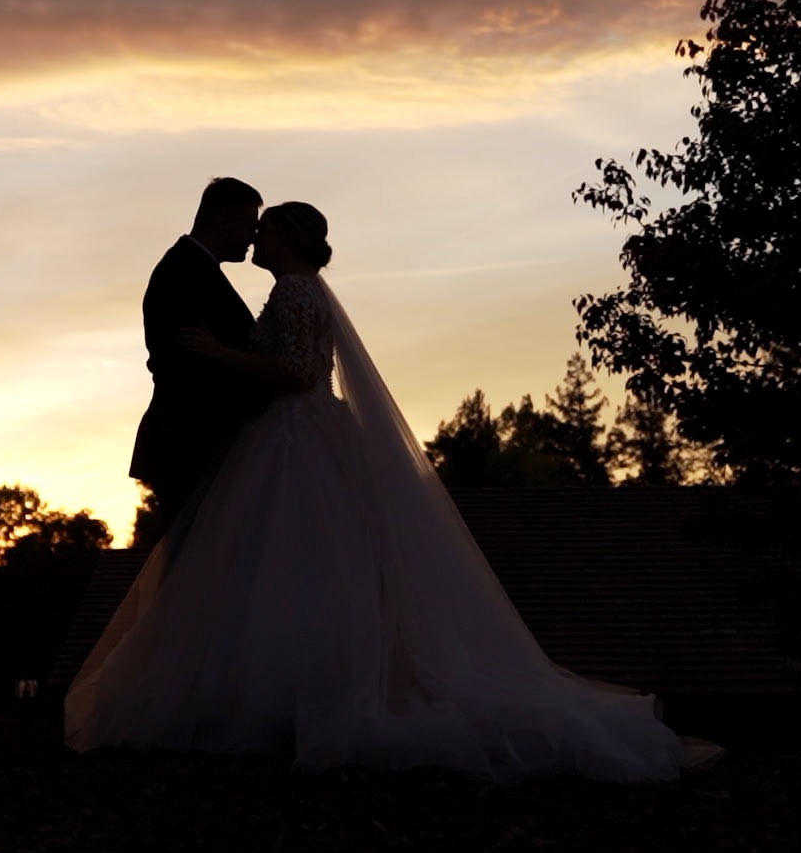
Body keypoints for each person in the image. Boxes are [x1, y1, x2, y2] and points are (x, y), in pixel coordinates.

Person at [66, 202, 716, 784]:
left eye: (264, 231)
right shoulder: (296, 291)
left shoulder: (295, 294)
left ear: (287, 241)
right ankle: (280, 697)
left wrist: (216, 352)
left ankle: (286, 702)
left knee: (288, 565)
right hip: (290, 436)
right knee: (293, 570)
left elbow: (293, 375)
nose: (255, 240)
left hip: (294, 436)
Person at [127, 177, 273, 544]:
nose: (253, 237)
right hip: (193, 441)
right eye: (249, 225)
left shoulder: (195, 269)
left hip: (200, 440)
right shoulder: (183, 273)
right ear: (224, 221)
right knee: (193, 560)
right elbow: (188, 366)